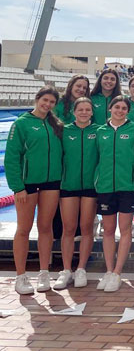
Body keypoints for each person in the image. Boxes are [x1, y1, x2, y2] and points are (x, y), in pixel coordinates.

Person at [6, 87, 63, 294]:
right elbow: (11, 157)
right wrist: (17, 187)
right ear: (37, 99)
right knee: (23, 229)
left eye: (51, 102)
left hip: (51, 183)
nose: (47, 105)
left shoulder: (55, 124)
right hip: (28, 185)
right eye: (45, 100)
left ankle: (43, 272)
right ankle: (20, 276)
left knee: (45, 227)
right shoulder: (21, 124)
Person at [95, 96, 134, 292]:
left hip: (127, 187)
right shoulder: (100, 132)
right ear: (110, 109)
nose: (120, 110)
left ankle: (117, 272)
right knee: (108, 230)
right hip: (106, 187)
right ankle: (108, 270)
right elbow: (97, 158)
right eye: (117, 107)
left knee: (125, 230)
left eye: (124, 108)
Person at [54, 98, 98, 290]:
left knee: (86, 227)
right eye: (80, 109)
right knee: (69, 228)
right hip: (69, 186)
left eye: (87, 109)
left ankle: (81, 268)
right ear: (74, 111)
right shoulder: (64, 131)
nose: (84, 112)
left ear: (91, 112)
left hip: (90, 186)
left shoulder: (98, 131)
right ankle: (66, 270)